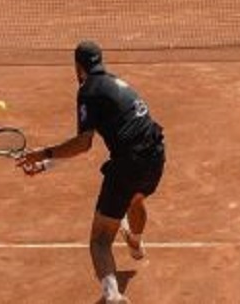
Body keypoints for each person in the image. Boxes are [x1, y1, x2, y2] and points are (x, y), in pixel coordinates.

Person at [18, 40, 166, 304]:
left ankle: (112, 296)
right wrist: (46, 164)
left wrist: (43, 153)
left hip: (128, 164)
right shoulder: (113, 83)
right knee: (135, 197)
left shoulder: (88, 91)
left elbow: (83, 144)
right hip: (155, 156)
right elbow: (92, 140)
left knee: (99, 240)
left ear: (78, 67)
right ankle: (135, 241)